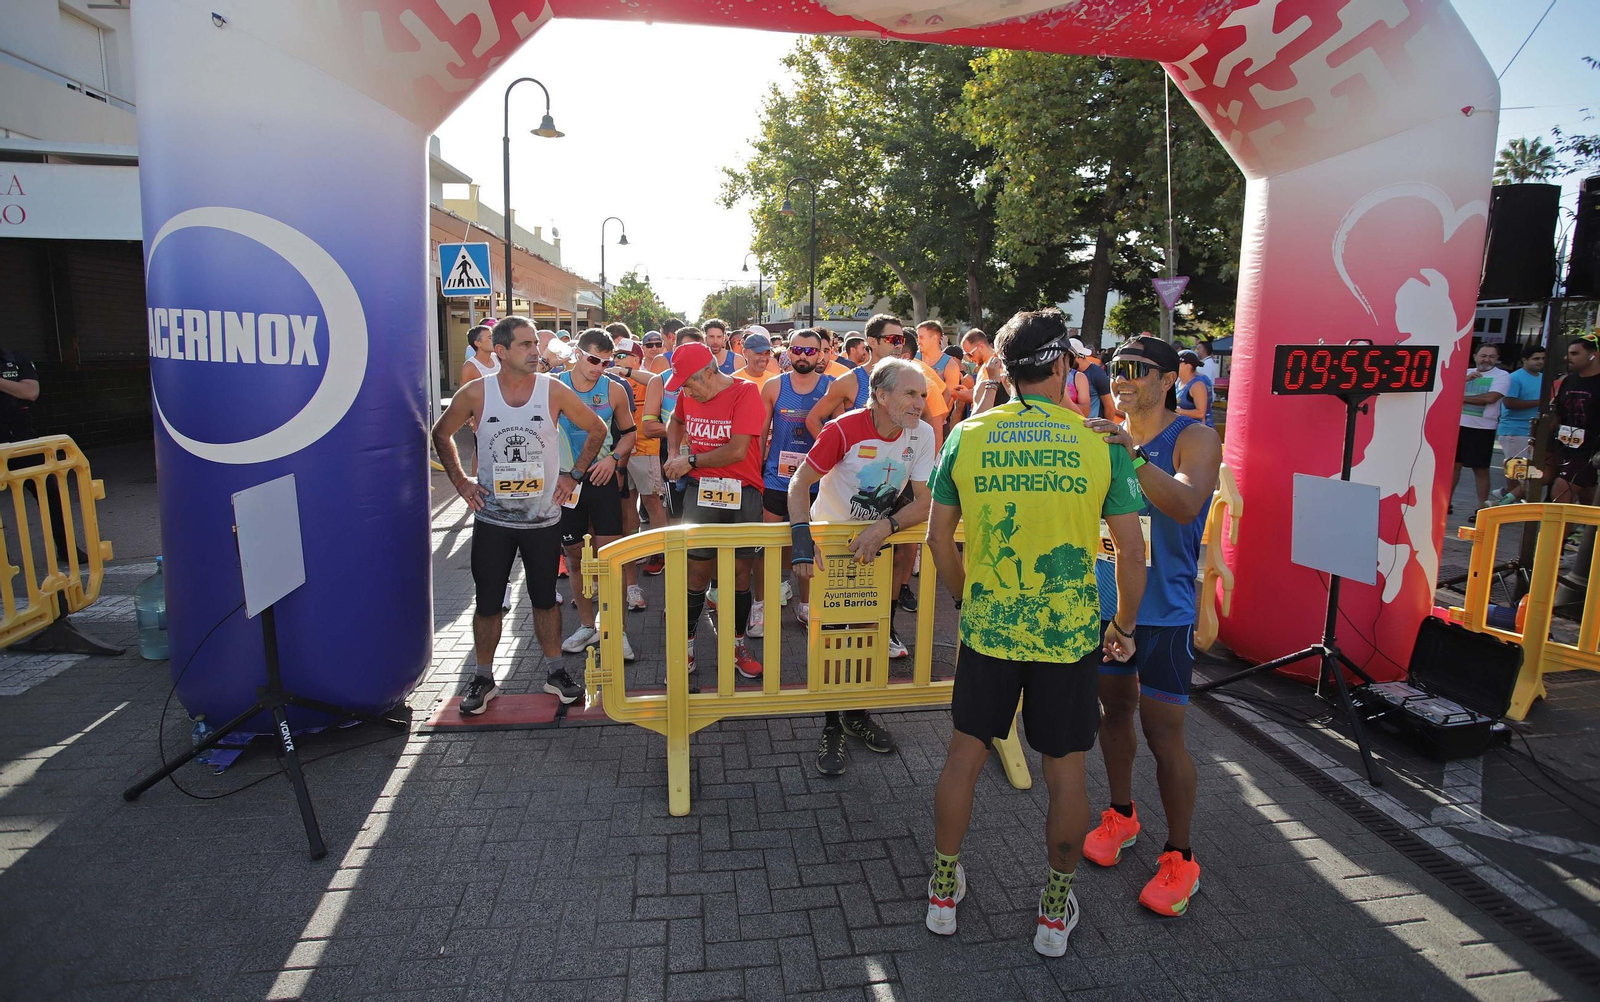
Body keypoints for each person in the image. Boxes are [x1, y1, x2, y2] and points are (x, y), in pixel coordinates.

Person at [923, 308, 1147, 956]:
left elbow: (939, 538)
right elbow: (1132, 553)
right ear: (1062, 366)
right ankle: (1053, 910)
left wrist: (966, 597)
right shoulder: (1100, 440)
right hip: (1067, 634)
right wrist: (1123, 626)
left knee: (964, 755)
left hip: (990, 626)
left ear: (1007, 370)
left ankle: (943, 893)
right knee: (1066, 770)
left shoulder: (969, 435)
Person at [1083, 335, 1222, 918]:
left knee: (1165, 735)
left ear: (1168, 380)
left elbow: (1187, 505)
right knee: (1113, 714)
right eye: (1117, 368)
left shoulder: (1194, 436)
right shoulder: (1101, 434)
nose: (1122, 378)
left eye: (1137, 370)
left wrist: (1134, 456)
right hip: (1108, 605)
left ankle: (1181, 856)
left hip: (1165, 613)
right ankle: (1121, 814)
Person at [430, 316, 606, 714]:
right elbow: (441, 433)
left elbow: (596, 429)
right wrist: (460, 482)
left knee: (544, 598)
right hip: (493, 519)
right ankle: (483, 678)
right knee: (488, 601)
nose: (534, 351)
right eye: (525, 345)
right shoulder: (477, 392)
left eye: (535, 344)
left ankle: (555, 672)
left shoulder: (551, 389)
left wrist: (573, 476)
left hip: (542, 520)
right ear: (501, 351)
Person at [788, 358, 935, 776]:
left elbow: (924, 502)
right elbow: (799, 483)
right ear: (881, 395)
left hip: (874, 543)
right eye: (910, 394)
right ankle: (831, 724)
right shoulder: (842, 429)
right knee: (832, 634)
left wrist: (884, 528)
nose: (920, 403)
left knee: (869, 630)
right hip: (833, 545)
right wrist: (802, 537)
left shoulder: (921, 433)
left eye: (923, 395)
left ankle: (856, 714)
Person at [662, 341, 769, 678]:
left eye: (689, 384)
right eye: (682, 386)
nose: (686, 392)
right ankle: (686, 647)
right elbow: (675, 421)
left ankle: (737, 644)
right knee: (696, 572)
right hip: (701, 490)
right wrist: (673, 453)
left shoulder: (745, 392)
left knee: (739, 573)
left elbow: (738, 450)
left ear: (709, 372)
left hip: (743, 490)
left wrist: (690, 461)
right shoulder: (688, 393)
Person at [555, 329, 639, 661]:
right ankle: (587, 625)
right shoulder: (555, 386)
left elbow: (630, 435)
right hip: (567, 483)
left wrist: (613, 459)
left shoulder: (614, 389)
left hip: (601, 479)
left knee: (610, 559)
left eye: (606, 362)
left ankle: (617, 630)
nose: (599, 368)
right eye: (593, 360)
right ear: (577, 353)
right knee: (575, 556)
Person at [751, 328, 834, 637]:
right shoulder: (774, 386)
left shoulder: (831, 387)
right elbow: (760, 434)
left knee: (807, 543)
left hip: (814, 480)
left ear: (820, 354)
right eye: (797, 350)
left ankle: (807, 605)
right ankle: (760, 604)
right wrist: (755, 471)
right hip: (776, 478)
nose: (802, 356)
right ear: (788, 351)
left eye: (810, 351)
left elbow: (837, 436)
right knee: (767, 544)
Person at [625, 331, 673, 574]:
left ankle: (658, 552)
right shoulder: (607, 377)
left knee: (652, 502)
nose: (618, 359)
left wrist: (626, 372)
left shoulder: (649, 377)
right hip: (621, 452)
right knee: (627, 505)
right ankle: (636, 549)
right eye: (616, 355)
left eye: (624, 355)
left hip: (646, 449)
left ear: (636, 358)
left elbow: (657, 379)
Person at [1454, 343, 1510, 514]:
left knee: (1480, 469)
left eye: (1491, 356)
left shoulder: (1502, 375)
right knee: (1453, 467)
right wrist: (1463, 381)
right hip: (1458, 426)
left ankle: (1482, 510)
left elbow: (1490, 398)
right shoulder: (1464, 373)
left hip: (1483, 429)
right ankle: (1445, 504)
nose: (1487, 360)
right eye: (1483, 356)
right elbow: (1445, 389)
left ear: (1497, 358)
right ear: (1475, 357)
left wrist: (1459, 397)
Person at [1544, 332, 1600, 505]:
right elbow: (1557, 413)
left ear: (1593, 355)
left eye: (1575, 353)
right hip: (1564, 447)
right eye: (1568, 353)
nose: (1567, 358)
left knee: (1561, 488)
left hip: (1591, 451)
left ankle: (1556, 525)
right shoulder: (1569, 380)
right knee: (1587, 498)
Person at [1494, 347, 1544, 502]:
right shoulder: (1514, 378)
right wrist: (1541, 403)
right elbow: (1509, 403)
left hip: (1535, 431)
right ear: (1525, 359)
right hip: (1514, 430)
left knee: (1529, 472)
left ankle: (1505, 496)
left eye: (1543, 358)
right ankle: (1504, 501)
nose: (1540, 362)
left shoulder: (1544, 378)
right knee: (1517, 472)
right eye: (1536, 358)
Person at [1070, 337, 1117, 420]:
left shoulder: (1097, 374)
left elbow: (1110, 407)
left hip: (1092, 424)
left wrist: (1106, 427)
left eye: (1069, 358)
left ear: (1078, 357)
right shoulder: (1070, 373)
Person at [1174, 349, 1214, 427]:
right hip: (1183, 428)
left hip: (1197, 430)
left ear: (1188, 366)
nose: (1174, 366)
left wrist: (1178, 411)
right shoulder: (1178, 382)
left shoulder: (1197, 385)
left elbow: (1201, 413)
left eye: (1178, 363)